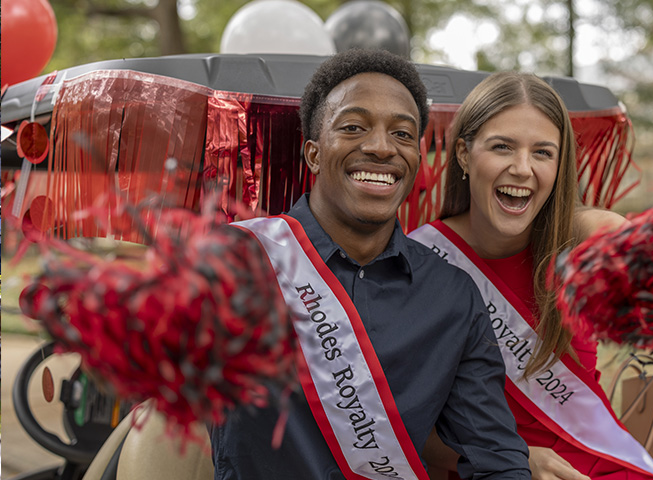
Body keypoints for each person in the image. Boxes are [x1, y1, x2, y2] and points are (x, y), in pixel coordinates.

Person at [208, 50, 531, 480]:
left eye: (402, 133)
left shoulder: (452, 298)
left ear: (417, 159)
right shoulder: (234, 259)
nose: (381, 148)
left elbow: (495, 458)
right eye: (354, 127)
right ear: (314, 154)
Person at [409, 72, 653, 480]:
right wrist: (514, 456)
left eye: (543, 153)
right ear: (463, 153)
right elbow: (401, 427)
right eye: (502, 147)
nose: (522, 168)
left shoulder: (576, 241)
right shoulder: (417, 264)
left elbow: (620, 239)